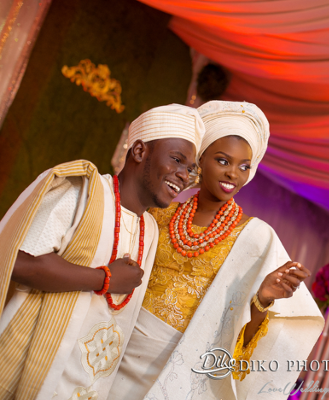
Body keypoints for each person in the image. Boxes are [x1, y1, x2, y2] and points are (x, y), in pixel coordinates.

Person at [110, 100, 325, 400]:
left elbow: (239, 341)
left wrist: (262, 300)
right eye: (223, 161)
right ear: (200, 160)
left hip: (181, 376)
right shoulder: (158, 215)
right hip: (115, 354)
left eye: (244, 166)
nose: (233, 174)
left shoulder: (256, 238)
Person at [0, 104, 204, 400]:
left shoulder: (151, 229)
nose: (184, 175)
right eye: (177, 160)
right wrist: (104, 278)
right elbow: (17, 261)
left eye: (191, 169)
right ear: (138, 151)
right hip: (29, 369)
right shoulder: (83, 190)